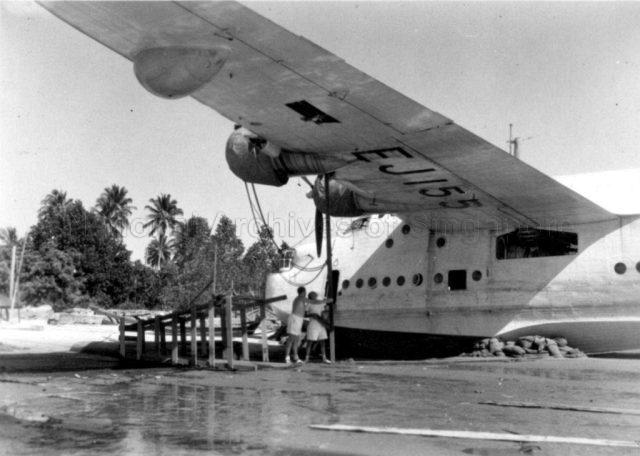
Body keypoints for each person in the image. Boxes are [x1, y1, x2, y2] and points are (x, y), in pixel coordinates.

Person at [304, 291, 332, 364]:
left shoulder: (320, 303)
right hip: (313, 324)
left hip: (321, 324)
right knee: (310, 341)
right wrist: (312, 315)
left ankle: (324, 358)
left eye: (315, 294)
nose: (316, 295)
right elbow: (304, 314)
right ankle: (306, 358)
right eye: (314, 294)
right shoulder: (309, 304)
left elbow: (326, 308)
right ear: (311, 297)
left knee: (322, 341)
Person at [284, 286, 307, 364]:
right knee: (291, 339)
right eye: (305, 292)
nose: (306, 293)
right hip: (295, 319)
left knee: (296, 340)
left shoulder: (301, 300)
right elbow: (313, 302)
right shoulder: (300, 298)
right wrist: (326, 301)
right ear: (302, 292)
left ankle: (295, 357)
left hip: (299, 320)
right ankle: (287, 357)